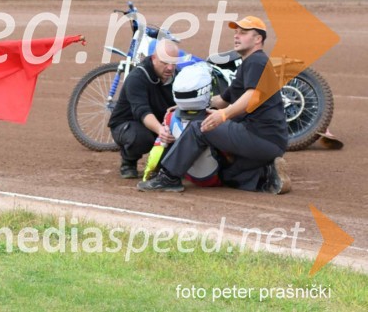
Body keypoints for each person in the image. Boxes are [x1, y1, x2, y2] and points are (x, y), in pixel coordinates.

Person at [137, 16, 291, 194]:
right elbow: (221, 100)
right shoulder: (246, 64)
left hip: (261, 136)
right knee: (226, 174)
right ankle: (267, 174)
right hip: (265, 140)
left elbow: (252, 96)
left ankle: (169, 177)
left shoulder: (257, 61)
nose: (236, 36)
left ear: (258, 39)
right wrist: (184, 106)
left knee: (198, 128)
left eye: (243, 33)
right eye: (235, 32)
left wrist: (223, 115)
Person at [108, 39, 179, 179]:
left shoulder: (179, 77)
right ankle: (128, 161)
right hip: (127, 124)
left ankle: (163, 162)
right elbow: (142, 111)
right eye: (165, 62)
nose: (170, 68)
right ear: (153, 59)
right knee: (142, 138)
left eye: (173, 63)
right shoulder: (137, 77)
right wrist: (160, 130)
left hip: (159, 123)